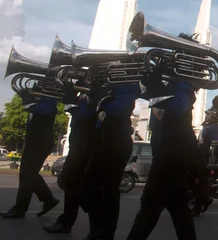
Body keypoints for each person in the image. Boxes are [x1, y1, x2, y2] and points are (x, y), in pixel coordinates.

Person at [126, 33, 201, 240]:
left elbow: (175, 108)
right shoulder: (170, 84)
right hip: (167, 150)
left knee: (150, 204)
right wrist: (149, 77)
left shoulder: (184, 86)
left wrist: (156, 82)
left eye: (177, 53)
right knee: (177, 207)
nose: (171, 57)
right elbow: (138, 92)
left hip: (174, 152)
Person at [80, 83, 140, 240]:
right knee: (88, 187)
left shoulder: (126, 87)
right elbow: (85, 114)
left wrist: (100, 96)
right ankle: (96, 228)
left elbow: (117, 110)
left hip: (117, 141)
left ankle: (105, 232)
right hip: (101, 140)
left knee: (109, 190)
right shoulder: (105, 89)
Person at [43, 91, 97, 233]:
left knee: (69, 181)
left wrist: (71, 101)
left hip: (85, 145)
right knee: (68, 182)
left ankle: (69, 220)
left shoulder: (95, 94)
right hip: (78, 144)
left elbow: (83, 116)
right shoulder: (84, 94)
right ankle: (81, 212)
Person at [0, 95, 60, 219]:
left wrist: (29, 103)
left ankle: (20, 208)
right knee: (28, 173)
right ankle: (48, 199)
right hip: (35, 139)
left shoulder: (49, 98)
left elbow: (46, 111)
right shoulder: (39, 99)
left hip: (40, 141)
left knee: (27, 174)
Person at [191, 95, 218, 216]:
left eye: (209, 114)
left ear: (213, 117)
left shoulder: (214, 127)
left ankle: (198, 207)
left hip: (205, 157)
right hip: (199, 155)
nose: (207, 115)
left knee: (201, 182)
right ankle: (204, 200)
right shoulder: (207, 126)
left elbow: (214, 143)